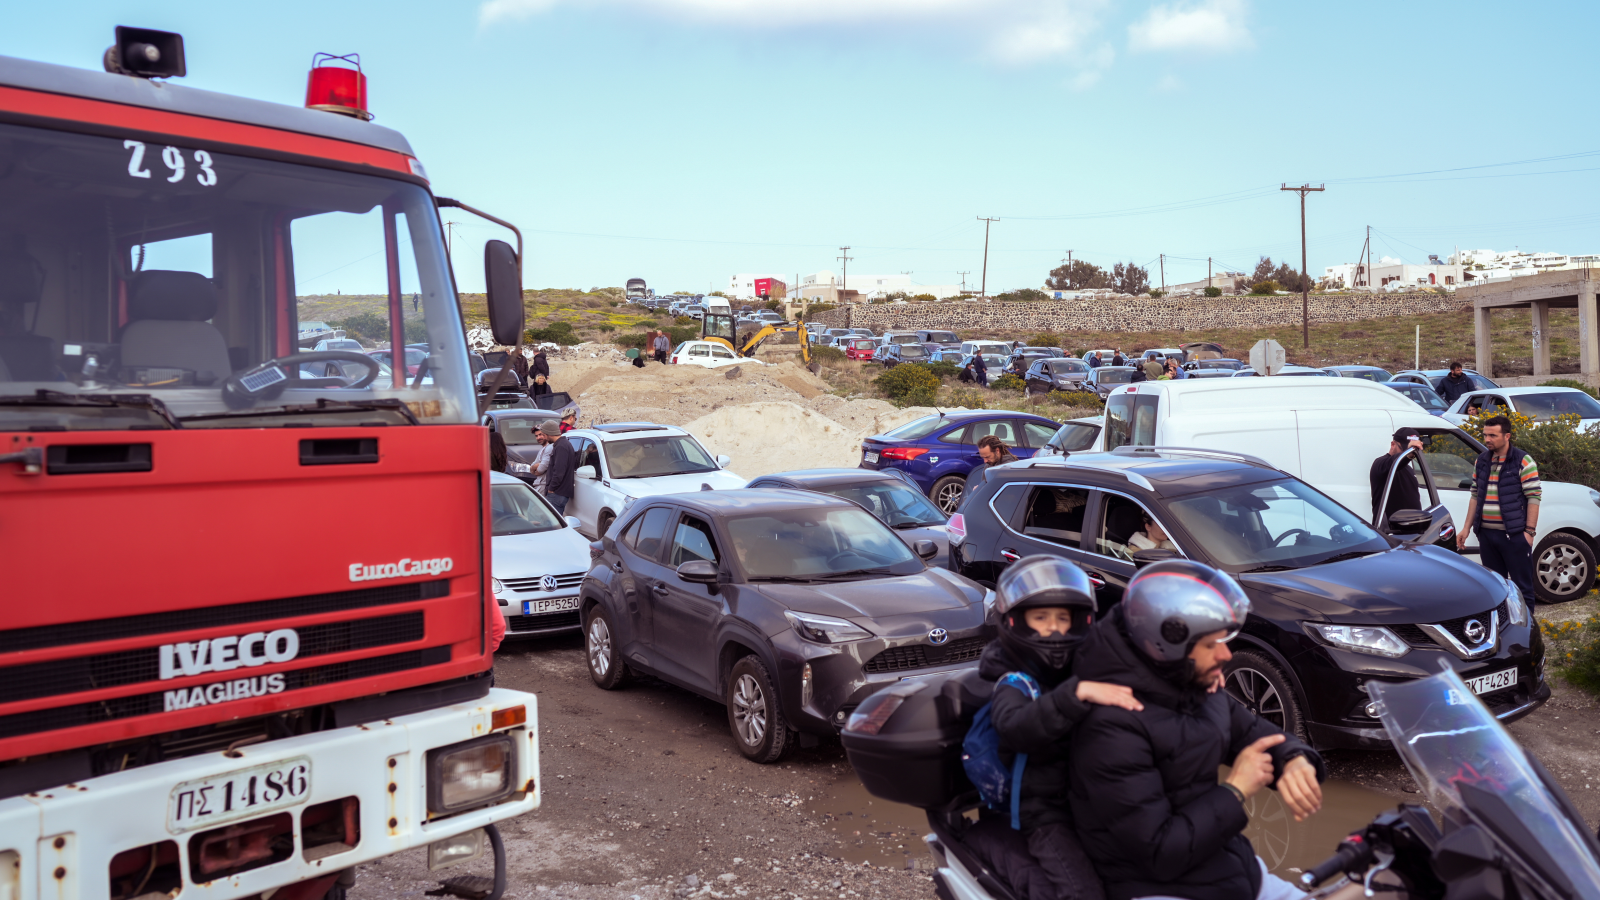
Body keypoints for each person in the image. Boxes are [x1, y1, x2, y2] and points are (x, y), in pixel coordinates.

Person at [1070, 560, 1325, 900]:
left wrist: (1293, 759)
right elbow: (1160, 853)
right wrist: (1236, 789)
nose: (1226, 655)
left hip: (1228, 867)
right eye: (1211, 644)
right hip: (1156, 887)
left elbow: (1256, 733)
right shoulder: (1109, 728)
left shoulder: (1189, 681)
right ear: (1165, 646)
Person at [979, 556, 1142, 900]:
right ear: (1016, 621)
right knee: (1082, 891)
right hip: (1043, 812)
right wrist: (1075, 694)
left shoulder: (1083, 669)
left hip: (1090, 801)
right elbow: (1015, 727)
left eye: (1063, 619)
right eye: (1041, 618)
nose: (1054, 629)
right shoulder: (1014, 683)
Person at [1458, 415, 1540, 603]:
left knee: (1523, 589)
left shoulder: (1523, 461)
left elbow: (1534, 497)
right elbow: (1475, 495)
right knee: (1495, 588)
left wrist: (1529, 532)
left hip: (1514, 536)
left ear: (1507, 436)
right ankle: (1503, 622)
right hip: (1487, 536)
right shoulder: (1481, 461)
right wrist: (1466, 528)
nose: (1487, 439)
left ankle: (1527, 623)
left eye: (1493, 435)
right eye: (1485, 435)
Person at [1369, 428, 1424, 526]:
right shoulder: (1380, 464)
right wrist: (1408, 455)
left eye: (1414, 451)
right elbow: (1394, 462)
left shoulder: (1408, 469)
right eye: (1404, 450)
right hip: (1389, 530)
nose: (1410, 454)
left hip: (1412, 529)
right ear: (1393, 444)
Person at [544, 421, 578, 515]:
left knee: (552, 521)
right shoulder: (562, 444)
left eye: (544, 435)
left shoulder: (561, 446)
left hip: (557, 493)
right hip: (558, 492)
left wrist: (551, 488)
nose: (544, 438)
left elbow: (559, 471)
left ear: (549, 433)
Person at [529, 422, 556, 494]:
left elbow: (540, 470)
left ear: (546, 434)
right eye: (536, 436)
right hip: (539, 484)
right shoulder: (542, 449)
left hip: (544, 485)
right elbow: (531, 468)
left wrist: (537, 467)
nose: (538, 438)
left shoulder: (550, 447)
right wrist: (536, 465)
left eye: (540, 434)